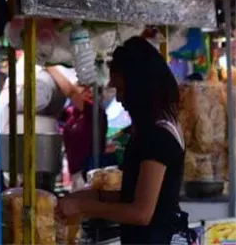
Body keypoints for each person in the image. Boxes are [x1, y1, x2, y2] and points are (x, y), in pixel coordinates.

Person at [57, 37, 189, 244]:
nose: (118, 98)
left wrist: (83, 206)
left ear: (140, 88)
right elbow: (135, 195)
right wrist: (92, 197)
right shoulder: (158, 128)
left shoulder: (157, 136)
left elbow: (141, 213)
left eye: (121, 89)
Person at [49, 65, 109, 190]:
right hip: (76, 173)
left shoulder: (95, 111)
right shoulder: (72, 113)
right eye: (83, 86)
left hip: (89, 171)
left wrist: (49, 66)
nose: (89, 91)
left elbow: (71, 92)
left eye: (93, 88)